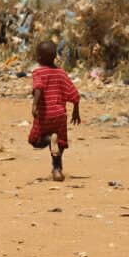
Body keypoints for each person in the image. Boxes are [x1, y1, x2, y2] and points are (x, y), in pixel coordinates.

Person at [28, 39, 81, 182]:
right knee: (60, 143)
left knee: (35, 140)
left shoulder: (38, 72)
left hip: (45, 115)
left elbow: (38, 88)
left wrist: (34, 105)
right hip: (60, 115)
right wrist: (76, 111)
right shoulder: (61, 73)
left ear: (39, 58)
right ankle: (57, 170)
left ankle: (49, 139)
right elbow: (73, 93)